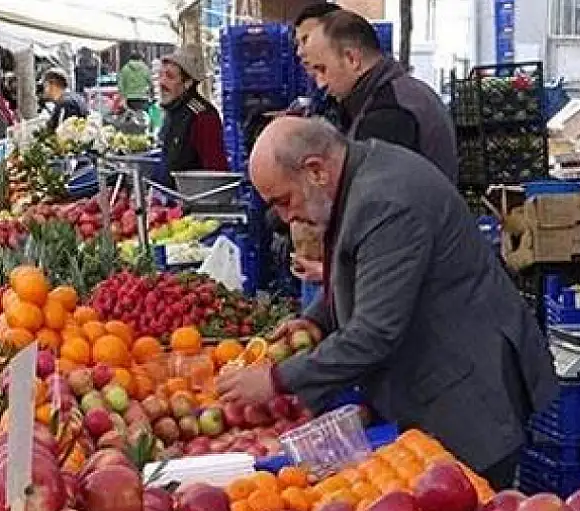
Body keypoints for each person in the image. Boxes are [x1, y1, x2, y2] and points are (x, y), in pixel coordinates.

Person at [217, 117, 556, 486]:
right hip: (437, 381)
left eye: (283, 201)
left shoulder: (385, 201)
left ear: (315, 170)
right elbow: (362, 277)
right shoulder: (358, 178)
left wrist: (277, 378)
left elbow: (375, 332)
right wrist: (317, 320)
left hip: (464, 396)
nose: (284, 217)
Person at [300, 9, 457, 181]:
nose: (320, 83)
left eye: (322, 69)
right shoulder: (400, 92)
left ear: (352, 59)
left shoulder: (389, 112)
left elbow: (376, 195)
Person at [158, 49, 229, 177]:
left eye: (169, 77)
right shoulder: (173, 111)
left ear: (188, 83)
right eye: (160, 75)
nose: (161, 82)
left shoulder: (203, 117)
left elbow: (216, 172)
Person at [42, 68, 86, 133]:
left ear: (52, 85)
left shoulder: (66, 103)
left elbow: (64, 135)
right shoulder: (74, 98)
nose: (44, 90)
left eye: (45, 86)